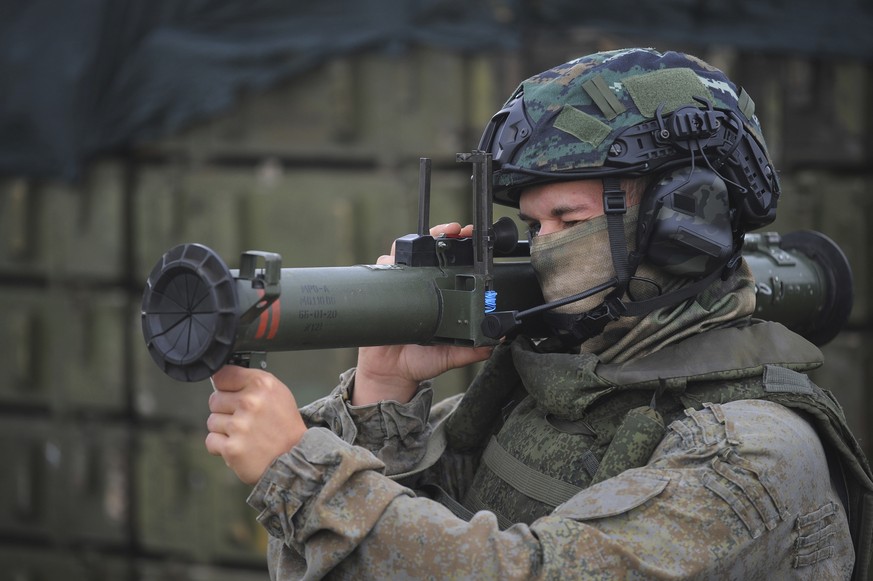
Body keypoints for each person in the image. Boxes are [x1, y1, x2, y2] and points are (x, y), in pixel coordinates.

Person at [204, 48, 872, 579]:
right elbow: (360, 556)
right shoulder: (559, 381)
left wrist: (301, 469)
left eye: (566, 218)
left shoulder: (750, 454)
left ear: (682, 227)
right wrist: (384, 389)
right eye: (531, 221)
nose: (539, 245)